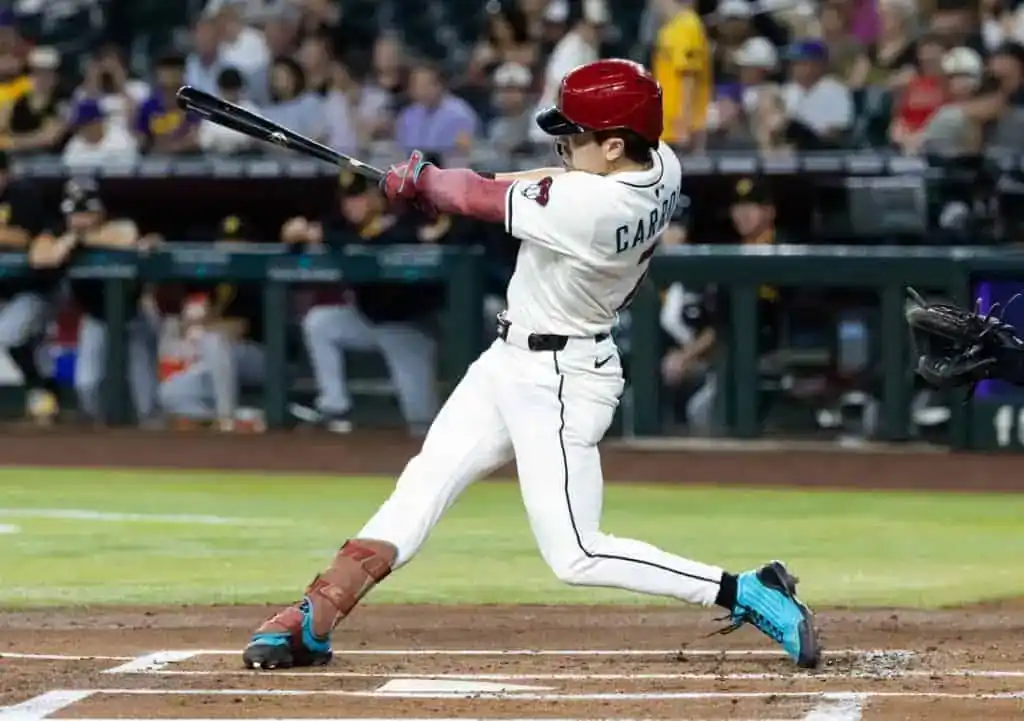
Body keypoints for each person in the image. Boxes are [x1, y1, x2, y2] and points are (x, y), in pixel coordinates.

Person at [242, 59, 820, 672]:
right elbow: (538, 181)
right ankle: (317, 615)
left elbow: (488, 197)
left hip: (563, 379)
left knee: (576, 554)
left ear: (615, 144)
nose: (564, 147)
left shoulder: (596, 209)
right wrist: (432, 183)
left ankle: (747, 590)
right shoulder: (660, 163)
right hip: (508, 361)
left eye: (575, 138)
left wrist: (431, 185)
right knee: (419, 489)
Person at [284, 169, 441, 434]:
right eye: (347, 199)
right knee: (320, 322)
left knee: (422, 423)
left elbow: (377, 242)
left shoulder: (402, 221)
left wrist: (321, 236)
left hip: (407, 329)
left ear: (376, 198)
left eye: (359, 197)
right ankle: (335, 406)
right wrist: (294, 234)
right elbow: (307, 237)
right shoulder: (342, 225)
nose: (352, 205)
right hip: (366, 322)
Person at [28, 177, 160, 425]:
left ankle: (156, 452)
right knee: (87, 385)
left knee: (146, 399)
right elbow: (39, 257)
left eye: (86, 211)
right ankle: (102, 446)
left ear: (99, 211)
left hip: (133, 316)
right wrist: (67, 241)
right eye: (75, 212)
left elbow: (126, 235)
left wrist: (78, 241)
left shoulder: (117, 223)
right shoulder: (59, 230)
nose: (80, 218)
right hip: (95, 317)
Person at [661, 177, 783, 432]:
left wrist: (688, 354)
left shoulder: (781, 251)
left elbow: (738, 322)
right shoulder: (734, 253)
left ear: (769, 211)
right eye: (738, 207)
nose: (743, 214)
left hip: (761, 354)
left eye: (752, 206)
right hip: (726, 354)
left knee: (703, 413)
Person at [158, 214, 266, 432]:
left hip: (262, 358)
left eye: (237, 242)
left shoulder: (258, 279)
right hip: (223, 360)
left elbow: (239, 328)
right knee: (170, 393)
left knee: (213, 340)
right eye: (226, 241)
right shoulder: (216, 279)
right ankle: (236, 416)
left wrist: (203, 327)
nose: (230, 248)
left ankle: (227, 418)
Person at [0, 151, 54, 423]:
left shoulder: (23, 195)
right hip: (4, 292)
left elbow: (24, 237)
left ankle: (40, 389)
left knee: (9, 335)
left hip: (30, 288)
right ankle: (41, 392)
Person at [651, 0, 711, 150]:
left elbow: (689, 76)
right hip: (667, 125)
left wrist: (684, 123)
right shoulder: (669, 28)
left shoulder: (688, 25)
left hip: (681, 128)